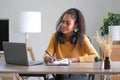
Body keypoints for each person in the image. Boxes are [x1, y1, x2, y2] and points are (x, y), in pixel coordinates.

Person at [43, 8, 99, 80]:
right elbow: (46, 55)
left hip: (79, 73)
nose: (63, 25)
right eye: (63, 22)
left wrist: (73, 59)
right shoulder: (55, 36)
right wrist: (48, 58)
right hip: (61, 74)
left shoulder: (82, 38)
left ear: (75, 25)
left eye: (68, 23)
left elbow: (96, 57)